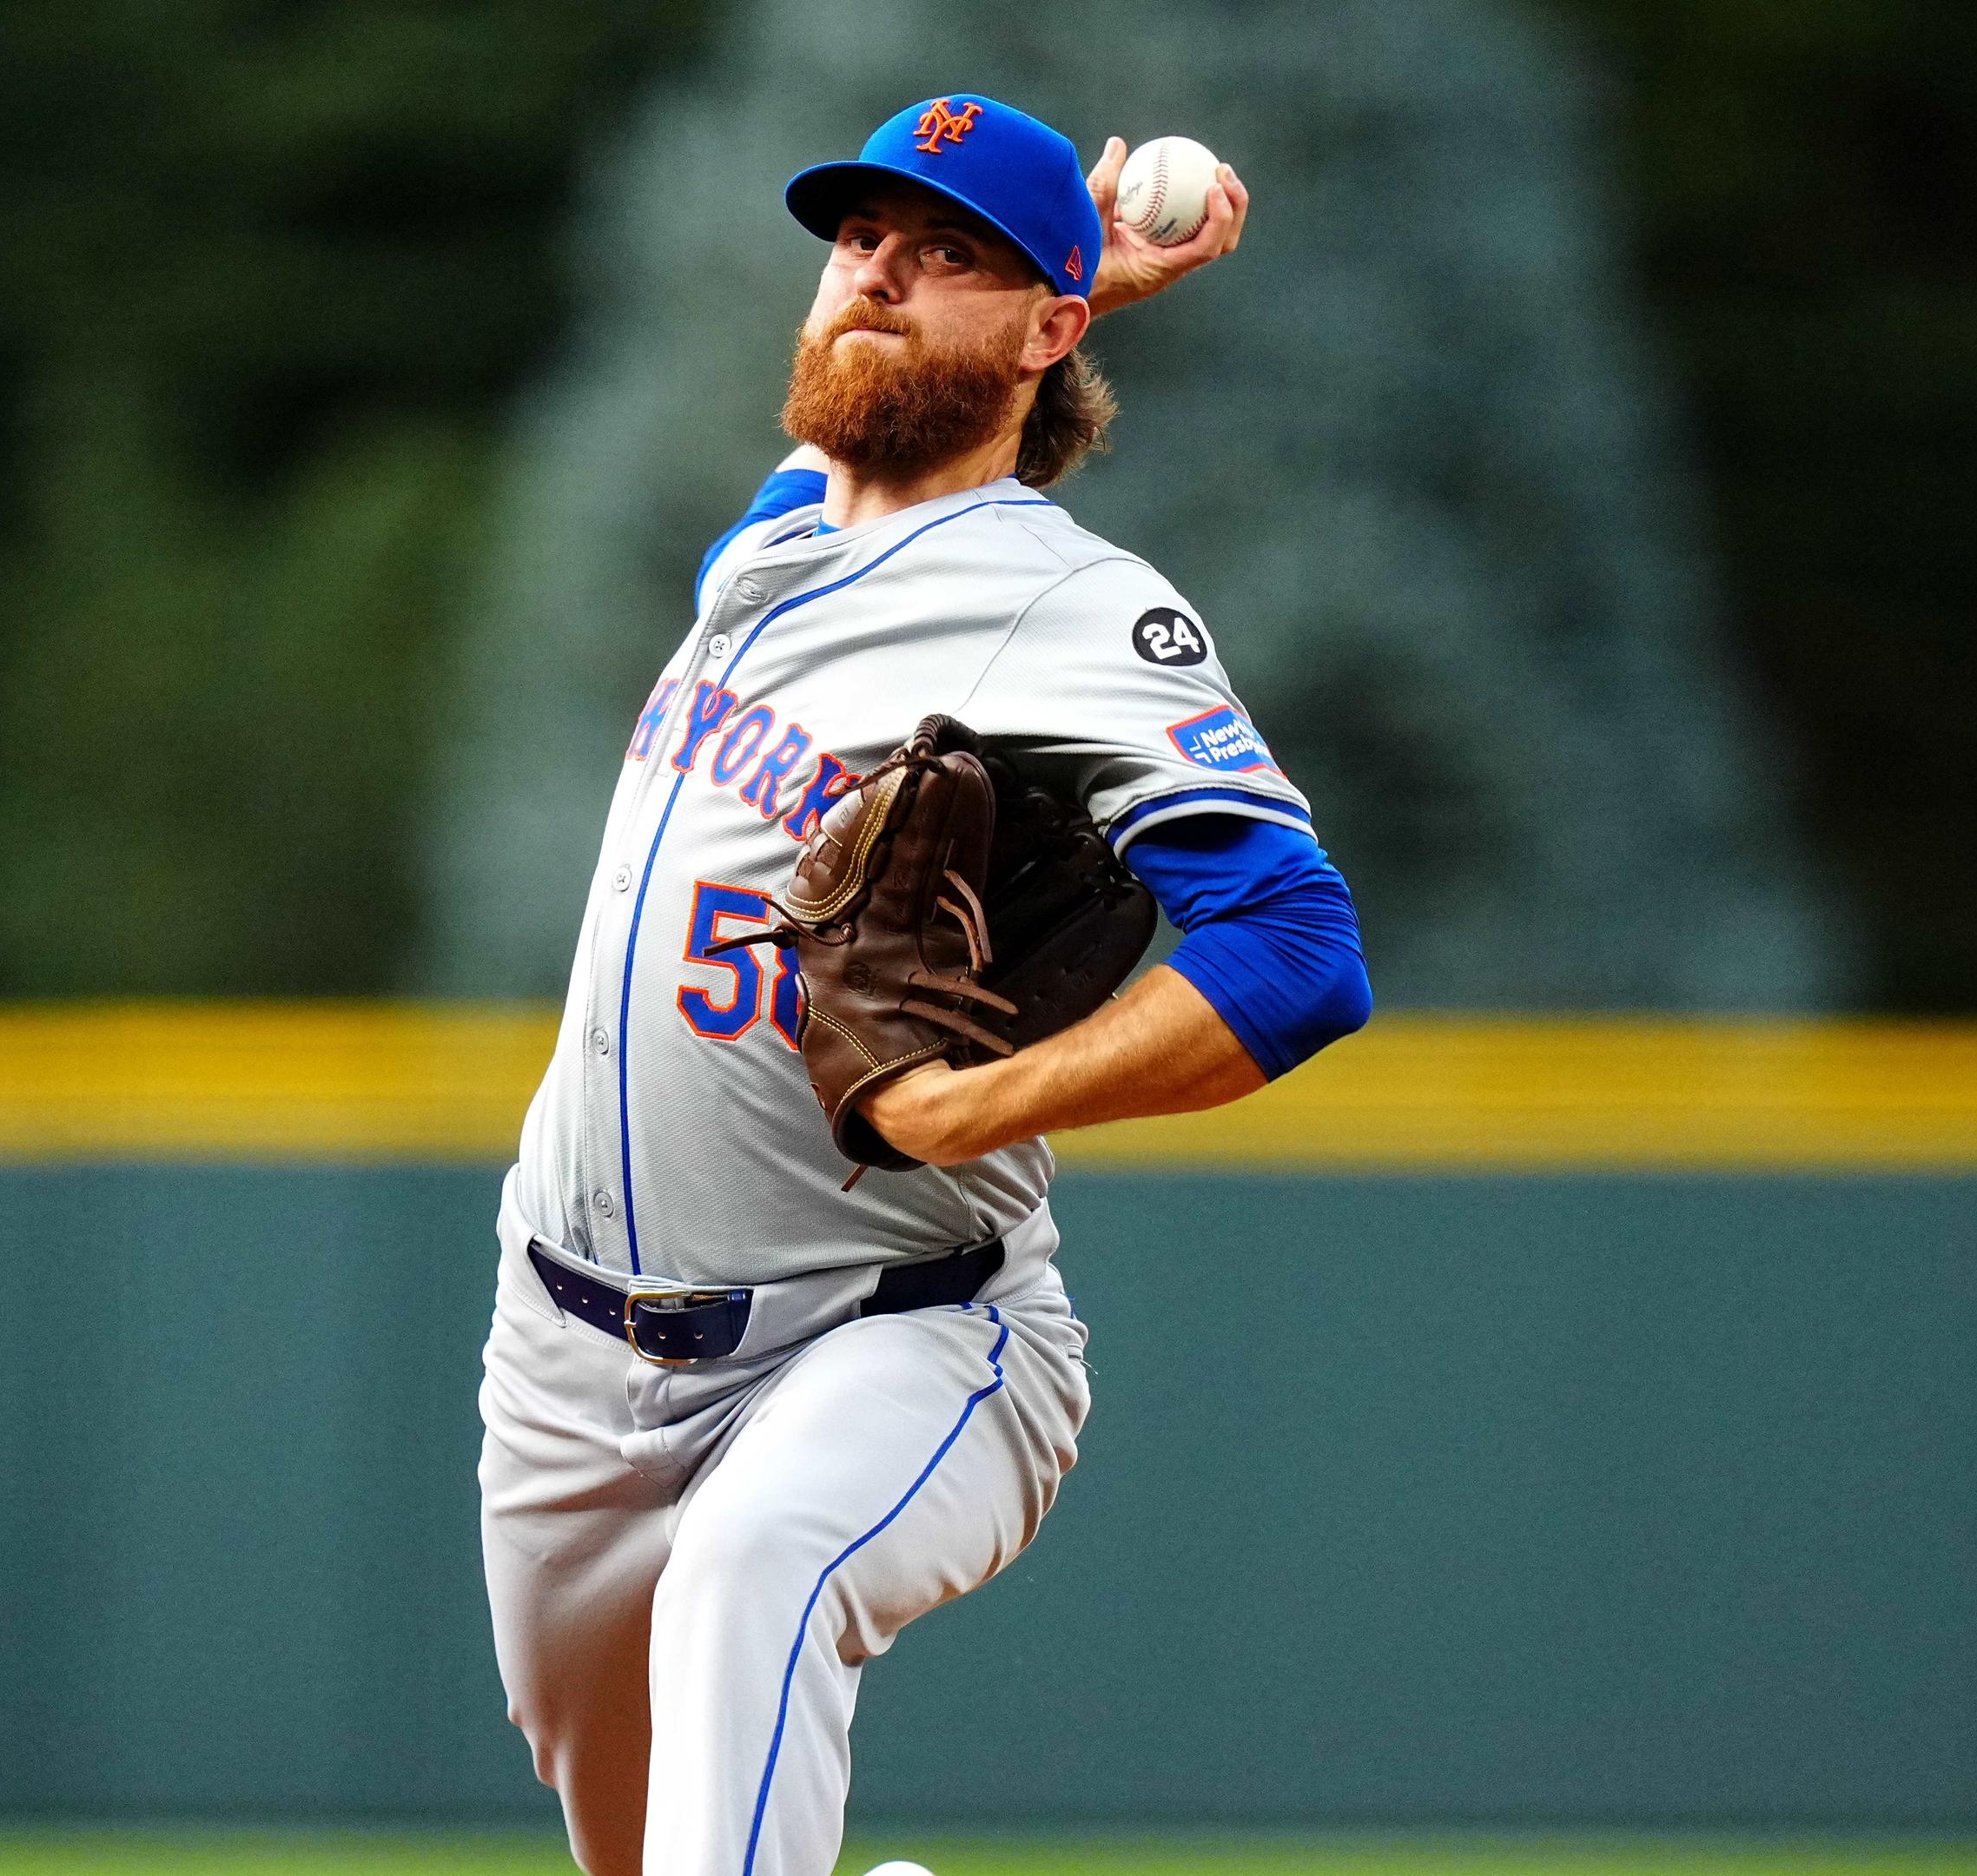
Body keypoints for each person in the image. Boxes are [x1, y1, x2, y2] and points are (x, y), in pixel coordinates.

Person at [475, 92, 1372, 1876]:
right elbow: (887, 427)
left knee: (764, 1564)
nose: (875, 274)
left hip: (897, 1327)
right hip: (563, 1353)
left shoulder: (1077, 611)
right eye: (860, 241)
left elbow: (1298, 949)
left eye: (943, 252)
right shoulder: (781, 537)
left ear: (1037, 331)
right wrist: (1054, 298)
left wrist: (972, 1105)